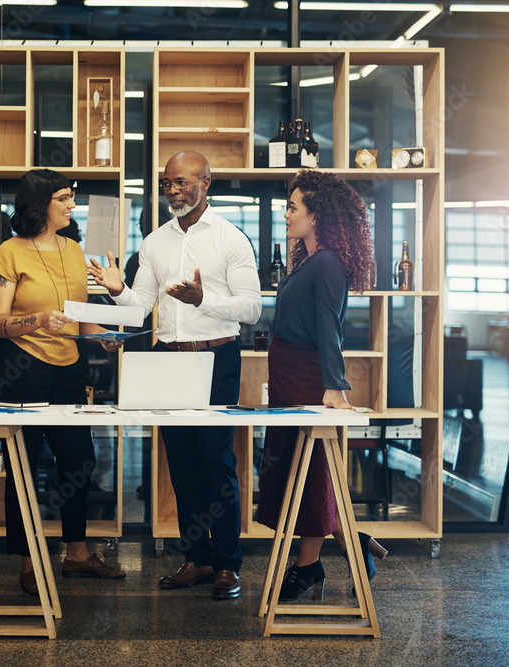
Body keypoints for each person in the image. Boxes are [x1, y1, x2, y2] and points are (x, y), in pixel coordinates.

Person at [88, 151, 262, 599]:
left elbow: (252, 308)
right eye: (166, 183)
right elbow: (141, 306)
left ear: (207, 182)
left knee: (217, 464)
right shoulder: (154, 241)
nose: (172, 190)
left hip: (216, 359)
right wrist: (117, 291)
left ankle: (227, 564)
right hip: (167, 359)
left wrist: (203, 300)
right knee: (181, 465)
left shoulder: (231, 238)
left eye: (181, 182)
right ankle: (196, 559)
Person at [0, 168, 126, 596]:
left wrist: (101, 334)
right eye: (64, 197)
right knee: (24, 466)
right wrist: (39, 320)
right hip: (21, 367)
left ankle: (78, 555)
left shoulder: (73, 249)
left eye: (72, 196)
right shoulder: (7, 254)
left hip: (70, 367)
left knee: (79, 459)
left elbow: (77, 316)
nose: (72, 204)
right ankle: (29, 561)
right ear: (40, 203)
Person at [256, 168, 388, 602]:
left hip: (309, 377)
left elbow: (331, 329)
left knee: (310, 472)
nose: (286, 213)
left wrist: (335, 385)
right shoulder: (308, 259)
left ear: (317, 215)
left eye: (293, 207)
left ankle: (308, 566)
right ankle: (356, 542)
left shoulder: (328, 262)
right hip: (288, 375)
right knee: (295, 469)